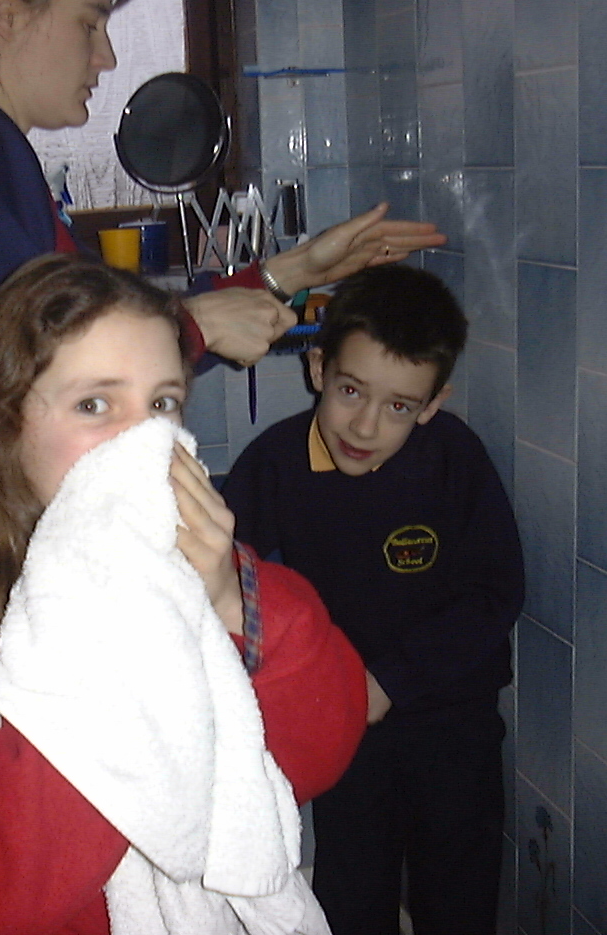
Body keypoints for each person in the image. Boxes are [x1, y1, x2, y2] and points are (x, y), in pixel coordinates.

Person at [0, 0, 446, 563]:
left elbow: (70, 335)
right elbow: (17, 372)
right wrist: (198, 324)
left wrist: (288, 273)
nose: (107, 56)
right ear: (6, 12)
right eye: (89, 23)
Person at [0, 255, 368, 935]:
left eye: (162, 404)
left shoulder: (194, 566)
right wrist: (138, 638)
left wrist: (227, 601)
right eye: (95, 405)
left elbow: (317, 750)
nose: (143, 440)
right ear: (3, 424)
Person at [222, 264, 525, 935]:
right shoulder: (273, 467)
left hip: (454, 725)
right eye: (351, 391)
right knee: (352, 894)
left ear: (432, 404)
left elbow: (496, 591)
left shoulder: (453, 459)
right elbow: (230, 586)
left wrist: (390, 680)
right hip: (344, 730)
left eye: (399, 407)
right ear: (318, 369)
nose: (365, 426)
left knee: (460, 898)